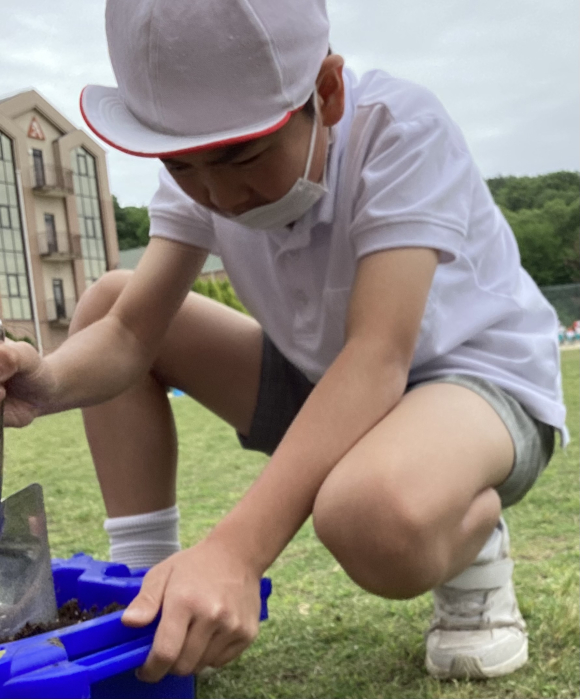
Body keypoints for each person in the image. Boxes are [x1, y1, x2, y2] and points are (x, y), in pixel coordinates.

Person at [0, 0, 566, 684]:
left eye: (241, 154)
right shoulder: (205, 170)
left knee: (368, 513)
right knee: (108, 301)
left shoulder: (400, 130)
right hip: (328, 377)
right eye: (181, 165)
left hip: (479, 386)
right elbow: (129, 332)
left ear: (324, 92)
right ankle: (148, 587)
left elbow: (378, 356)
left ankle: (473, 546)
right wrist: (48, 382)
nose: (215, 192)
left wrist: (236, 552)